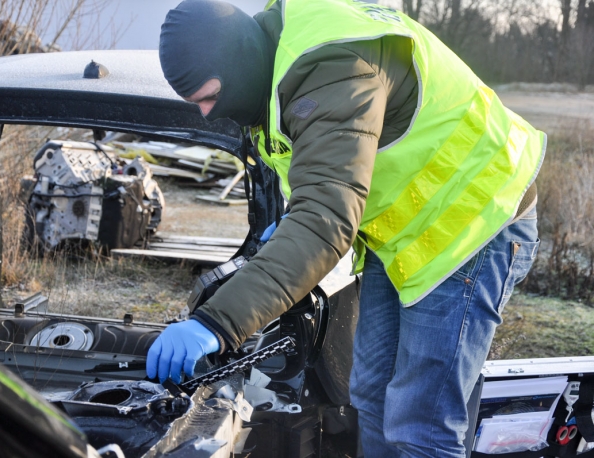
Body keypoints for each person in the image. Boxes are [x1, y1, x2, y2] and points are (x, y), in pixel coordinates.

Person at [146, 0, 545, 456]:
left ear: (237, 61)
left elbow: (326, 220)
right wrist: (293, 222)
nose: (205, 113)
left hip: (475, 221)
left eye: (208, 96)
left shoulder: (330, 67)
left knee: (420, 426)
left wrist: (215, 323)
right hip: (407, 234)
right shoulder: (275, 73)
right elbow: (323, 185)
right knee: (370, 396)